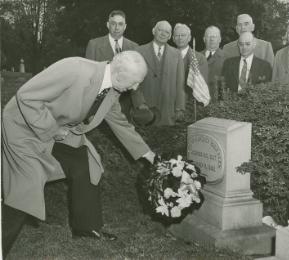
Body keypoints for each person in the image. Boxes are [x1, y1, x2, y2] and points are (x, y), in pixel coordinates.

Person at [2, 51, 155, 246]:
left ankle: (85, 228)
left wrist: (149, 155)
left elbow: (119, 123)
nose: (136, 87)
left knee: (86, 163)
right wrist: (53, 129)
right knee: (25, 187)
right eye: (135, 82)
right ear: (119, 72)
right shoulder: (75, 69)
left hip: (58, 130)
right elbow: (27, 96)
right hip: (24, 126)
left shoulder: (112, 90)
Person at [85, 10, 138, 118]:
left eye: (120, 24)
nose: (116, 27)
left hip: (125, 103)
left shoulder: (134, 47)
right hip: (99, 103)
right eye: (113, 23)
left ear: (125, 26)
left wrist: (138, 104)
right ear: (108, 25)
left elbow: (137, 79)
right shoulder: (94, 45)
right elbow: (88, 77)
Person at [131, 20, 185, 126]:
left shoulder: (177, 54)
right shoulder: (138, 51)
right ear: (153, 31)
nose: (163, 33)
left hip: (168, 112)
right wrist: (139, 103)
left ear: (170, 36)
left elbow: (180, 83)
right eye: (160, 30)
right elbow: (133, 82)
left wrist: (179, 108)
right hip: (145, 112)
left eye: (167, 32)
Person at [172, 23, 208, 101]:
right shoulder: (167, 56)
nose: (180, 38)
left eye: (183, 35)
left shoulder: (199, 58)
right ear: (173, 38)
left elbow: (201, 84)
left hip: (191, 103)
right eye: (177, 35)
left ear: (189, 38)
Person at [201, 25, 225, 96]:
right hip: (197, 102)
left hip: (217, 103)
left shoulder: (227, 58)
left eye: (214, 36)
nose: (211, 39)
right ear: (204, 39)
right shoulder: (195, 57)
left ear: (220, 39)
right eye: (209, 36)